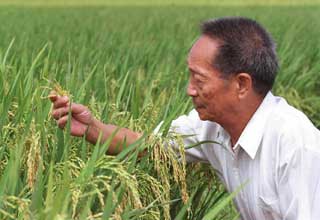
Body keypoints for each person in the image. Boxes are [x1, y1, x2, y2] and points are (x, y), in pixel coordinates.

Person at [50, 17, 320, 220]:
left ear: (241, 84)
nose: (189, 89)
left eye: (199, 79)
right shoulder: (210, 127)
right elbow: (151, 147)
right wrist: (92, 128)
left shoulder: (296, 144)